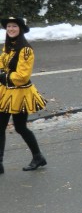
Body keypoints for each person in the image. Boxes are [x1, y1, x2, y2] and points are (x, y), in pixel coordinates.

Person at [0, 16, 47, 172]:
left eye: (14, 26)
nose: (11, 29)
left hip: (20, 94)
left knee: (20, 127)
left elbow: (22, 76)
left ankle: (38, 156)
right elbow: (1, 62)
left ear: (20, 29)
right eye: (8, 27)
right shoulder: (8, 47)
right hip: (6, 92)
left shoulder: (25, 49)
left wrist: (4, 76)